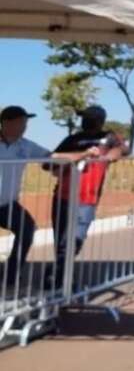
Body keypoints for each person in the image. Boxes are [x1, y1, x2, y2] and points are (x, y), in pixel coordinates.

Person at [0, 106, 95, 292]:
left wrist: (82, 155)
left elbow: (53, 157)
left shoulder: (25, 146)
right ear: (7, 123)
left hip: (6, 205)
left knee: (26, 229)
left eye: (25, 123)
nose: (24, 127)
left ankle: (10, 276)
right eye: (21, 122)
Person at [50, 105, 126, 288]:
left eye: (89, 118)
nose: (85, 121)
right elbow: (51, 161)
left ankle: (58, 278)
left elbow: (121, 150)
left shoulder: (109, 137)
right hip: (63, 196)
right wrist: (79, 156)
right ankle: (62, 281)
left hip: (87, 198)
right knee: (61, 242)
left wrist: (106, 157)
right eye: (84, 117)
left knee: (74, 240)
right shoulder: (72, 139)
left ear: (100, 121)